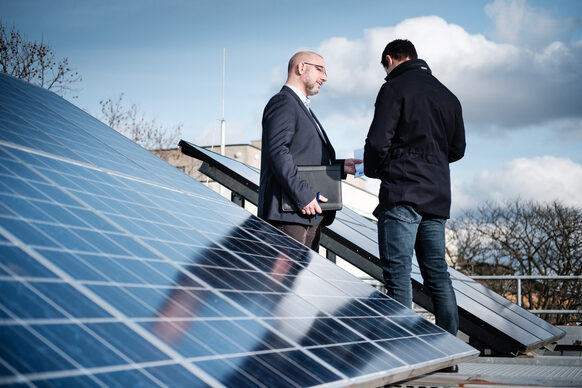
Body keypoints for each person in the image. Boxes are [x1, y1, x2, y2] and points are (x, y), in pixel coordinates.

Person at [364, 40, 466, 343]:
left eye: (385, 67)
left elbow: (378, 142)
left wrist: (376, 169)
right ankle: (449, 350)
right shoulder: (449, 97)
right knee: (437, 274)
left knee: (397, 275)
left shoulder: (394, 88)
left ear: (389, 59)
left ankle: (400, 349)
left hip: (402, 193)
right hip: (436, 197)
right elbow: (457, 149)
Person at [258, 51, 360, 251]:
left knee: (304, 281)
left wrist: (340, 167)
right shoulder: (283, 102)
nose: (325, 77)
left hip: (305, 213)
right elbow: (278, 152)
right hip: (288, 213)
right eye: (320, 69)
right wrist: (303, 195)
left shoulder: (300, 106)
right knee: (285, 282)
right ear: (301, 67)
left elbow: (302, 157)